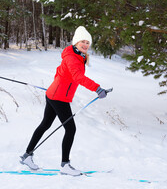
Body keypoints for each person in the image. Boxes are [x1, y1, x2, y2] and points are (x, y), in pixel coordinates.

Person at [20, 26, 108, 176]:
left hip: (54, 94)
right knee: (70, 129)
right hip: (58, 97)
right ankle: (65, 165)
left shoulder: (77, 56)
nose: (85, 45)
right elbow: (78, 78)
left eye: (88, 42)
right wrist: (97, 88)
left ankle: (27, 156)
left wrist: (55, 87)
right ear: (76, 42)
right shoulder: (72, 58)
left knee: (45, 125)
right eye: (83, 41)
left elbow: (60, 73)